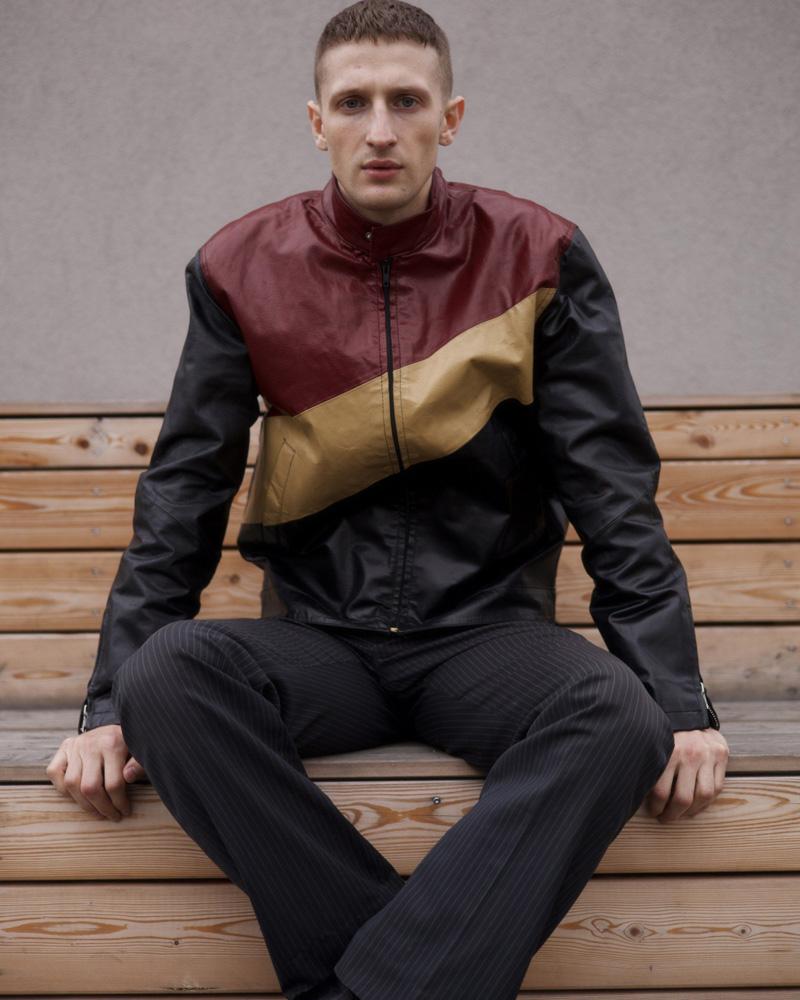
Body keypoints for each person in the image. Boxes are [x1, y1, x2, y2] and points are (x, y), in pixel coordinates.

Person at [46, 2, 729, 998]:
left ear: (449, 119)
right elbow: (184, 490)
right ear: (314, 121)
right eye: (352, 103)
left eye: (405, 102)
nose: (379, 130)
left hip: (487, 641)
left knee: (618, 717)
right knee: (166, 677)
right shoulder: (239, 266)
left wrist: (677, 701)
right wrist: (108, 705)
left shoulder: (537, 253)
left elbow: (611, 485)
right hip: (319, 642)